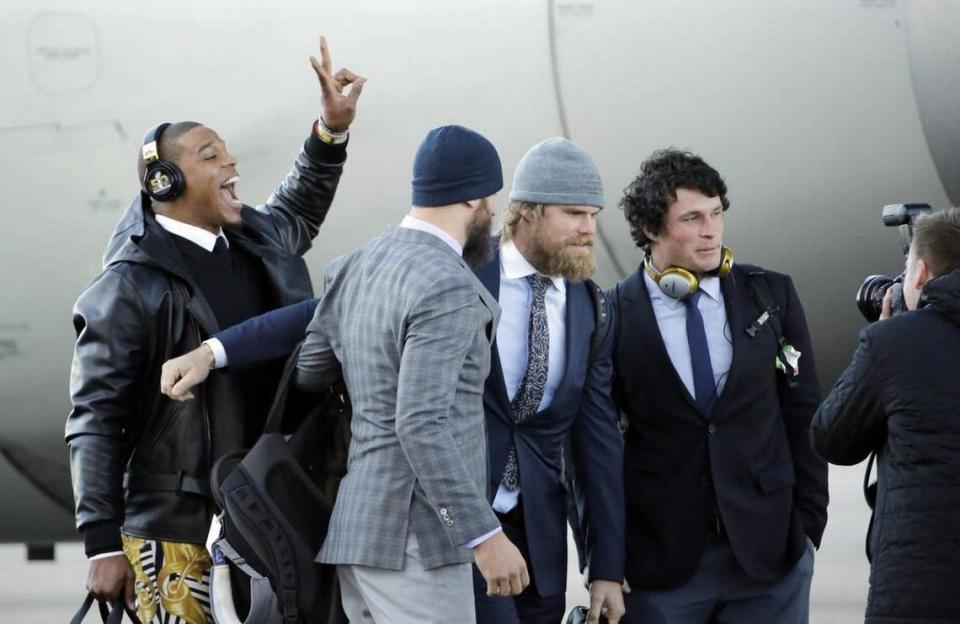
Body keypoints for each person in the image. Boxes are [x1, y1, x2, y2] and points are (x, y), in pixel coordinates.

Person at [160, 138, 626, 624]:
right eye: (575, 214)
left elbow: (595, 440)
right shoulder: (456, 271)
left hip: (537, 542)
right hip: (444, 525)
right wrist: (214, 352)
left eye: (593, 215)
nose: (589, 229)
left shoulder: (590, 307)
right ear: (526, 212)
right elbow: (321, 320)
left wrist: (606, 566)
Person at [65, 36, 364, 623]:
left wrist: (329, 132)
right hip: (180, 529)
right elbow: (95, 415)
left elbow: (299, 208)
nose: (230, 163)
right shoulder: (129, 287)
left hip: (274, 500)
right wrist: (101, 541)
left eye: (226, 152)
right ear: (165, 185)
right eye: (209, 154)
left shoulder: (255, 238)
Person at [608, 148, 828, 623]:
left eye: (716, 214)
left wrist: (808, 526)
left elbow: (804, 411)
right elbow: (592, 444)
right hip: (661, 565)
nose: (711, 230)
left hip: (770, 557)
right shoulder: (613, 314)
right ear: (651, 228)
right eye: (691, 218)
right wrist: (604, 559)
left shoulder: (770, 293)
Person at [811, 207, 960, 623]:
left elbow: (831, 438)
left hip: (916, 586)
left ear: (921, 273)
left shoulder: (892, 342)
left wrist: (881, 338)